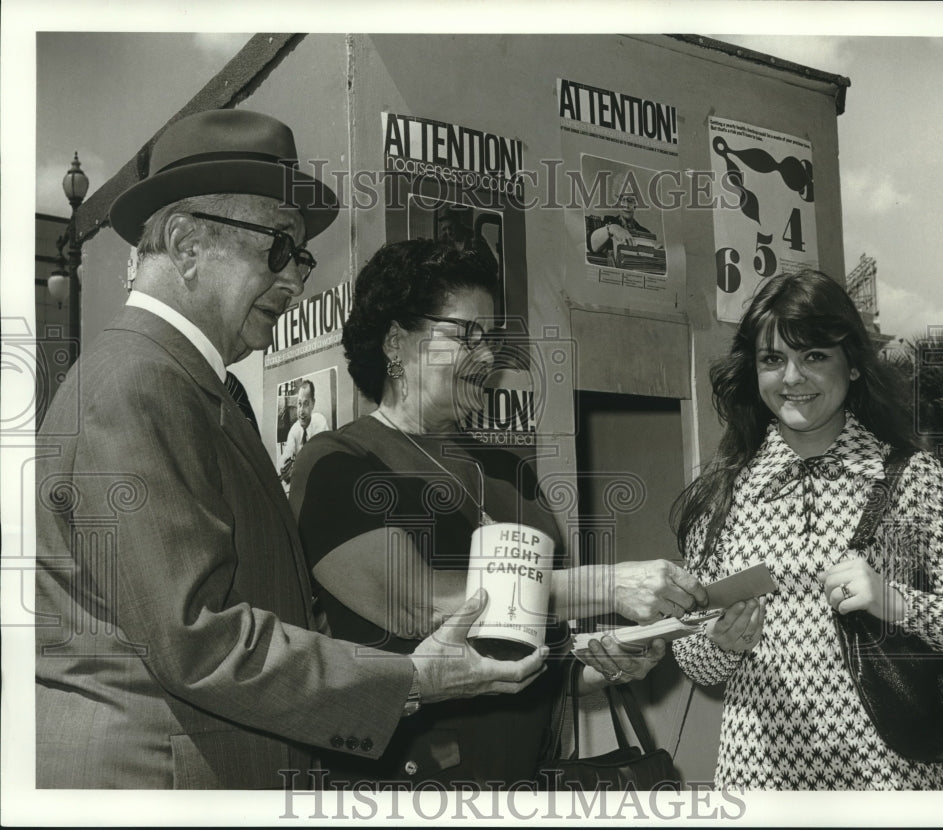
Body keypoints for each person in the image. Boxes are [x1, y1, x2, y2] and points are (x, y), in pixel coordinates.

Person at [34, 109, 550, 790]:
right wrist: (415, 677)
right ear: (187, 244)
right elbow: (198, 642)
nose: (296, 280)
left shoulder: (186, 383)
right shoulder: (138, 382)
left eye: (301, 257)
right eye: (279, 247)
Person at [291, 238, 709, 785]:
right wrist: (609, 586)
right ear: (397, 342)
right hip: (401, 786)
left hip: (518, 781)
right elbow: (420, 605)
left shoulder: (510, 471)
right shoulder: (340, 462)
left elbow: (522, 647)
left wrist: (592, 667)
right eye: (466, 335)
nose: (487, 358)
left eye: (491, 339)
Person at [670, 270, 943, 790]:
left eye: (814, 356)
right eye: (772, 359)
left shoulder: (912, 479)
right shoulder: (722, 492)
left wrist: (895, 601)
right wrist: (721, 644)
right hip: (758, 783)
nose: (792, 378)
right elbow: (696, 663)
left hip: (890, 783)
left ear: (852, 365)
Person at [279, 379, 330, 484]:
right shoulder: (294, 430)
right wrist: (284, 468)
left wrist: (296, 467)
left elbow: (315, 457)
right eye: (299, 404)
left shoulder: (320, 421)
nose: (301, 411)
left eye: (306, 404)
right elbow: (286, 456)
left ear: (313, 404)